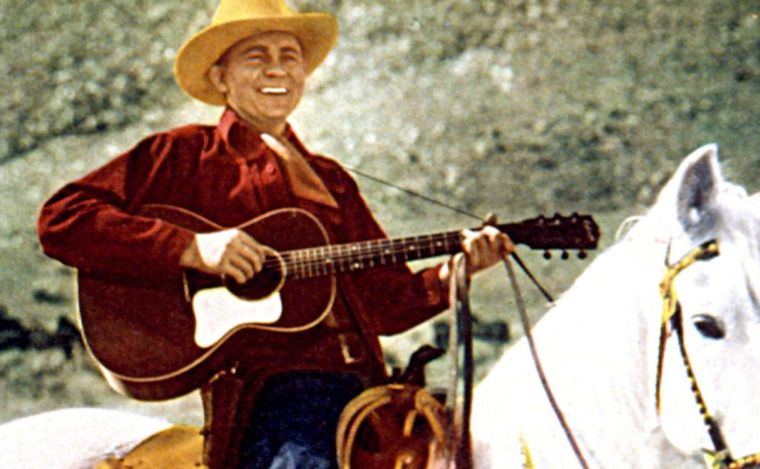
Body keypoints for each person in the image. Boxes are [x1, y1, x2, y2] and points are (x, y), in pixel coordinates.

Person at [37, 0, 512, 468]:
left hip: (366, 384)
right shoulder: (181, 156)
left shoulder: (330, 180)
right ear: (221, 78)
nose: (277, 70)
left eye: (290, 57)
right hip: (273, 395)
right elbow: (62, 219)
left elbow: (384, 302)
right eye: (256, 57)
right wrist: (190, 247)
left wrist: (456, 271)